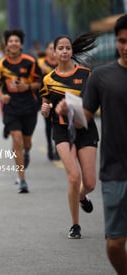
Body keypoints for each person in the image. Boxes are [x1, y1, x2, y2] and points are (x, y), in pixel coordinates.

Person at [57, 14, 127, 274]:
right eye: (121, 41)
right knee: (115, 243)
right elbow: (83, 119)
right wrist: (69, 110)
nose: (126, 47)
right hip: (116, 171)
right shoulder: (101, 76)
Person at [40, 32, 100, 239]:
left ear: (71, 51)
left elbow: (94, 103)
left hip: (85, 128)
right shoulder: (48, 79)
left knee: (90, 183)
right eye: (60, 48)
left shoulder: (86, 74)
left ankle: (82, 196)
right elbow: (45, 103)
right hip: (62, 130)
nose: (64, 51)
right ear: (54, 52)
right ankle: (75, 225)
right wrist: (45, 110)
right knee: (74, 178)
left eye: (67, 48)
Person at [0, 29, 42, 193]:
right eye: (10, 41)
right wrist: (2, 96)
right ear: (6, 45)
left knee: (26, 143)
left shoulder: (30, 61)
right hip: (11, 106)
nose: (13, 43)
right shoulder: (1, 65)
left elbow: (39, 83)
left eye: (16, 41)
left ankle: (26, 151)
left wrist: (26, 87)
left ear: (21, 44)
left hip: (29, 105)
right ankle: (22, 179)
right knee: (17, 140)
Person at [37, 41, 59, 161]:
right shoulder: (40, 63)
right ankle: (50, 146)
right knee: (48, 125)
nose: (52, 51)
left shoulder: (61, 64)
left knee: (58, 124)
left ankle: (57, 148)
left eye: (54, 48)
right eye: (50, 48)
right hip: (45, 98)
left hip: (59, 98)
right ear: (46, 51)